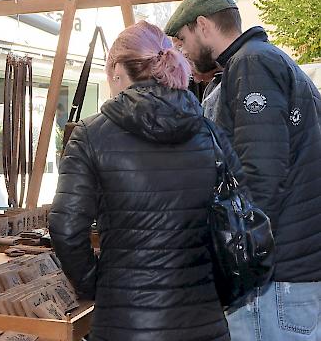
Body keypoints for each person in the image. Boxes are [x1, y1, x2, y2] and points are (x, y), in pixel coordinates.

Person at [49, 21, 236, 341]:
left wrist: (96, 283)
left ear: (118, 69)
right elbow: (239, 218)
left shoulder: (91, 134)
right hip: (203, 321)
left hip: (125, 322)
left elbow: (66, 228)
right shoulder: (209, 133)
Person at [165, 0, 321, 340]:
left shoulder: (252, 65)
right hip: (291, 270)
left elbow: (261, 176)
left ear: (203, 25)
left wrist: (232, 260)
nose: (181, 50)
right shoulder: (266, 59)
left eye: (182, 38)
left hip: (274, 280)